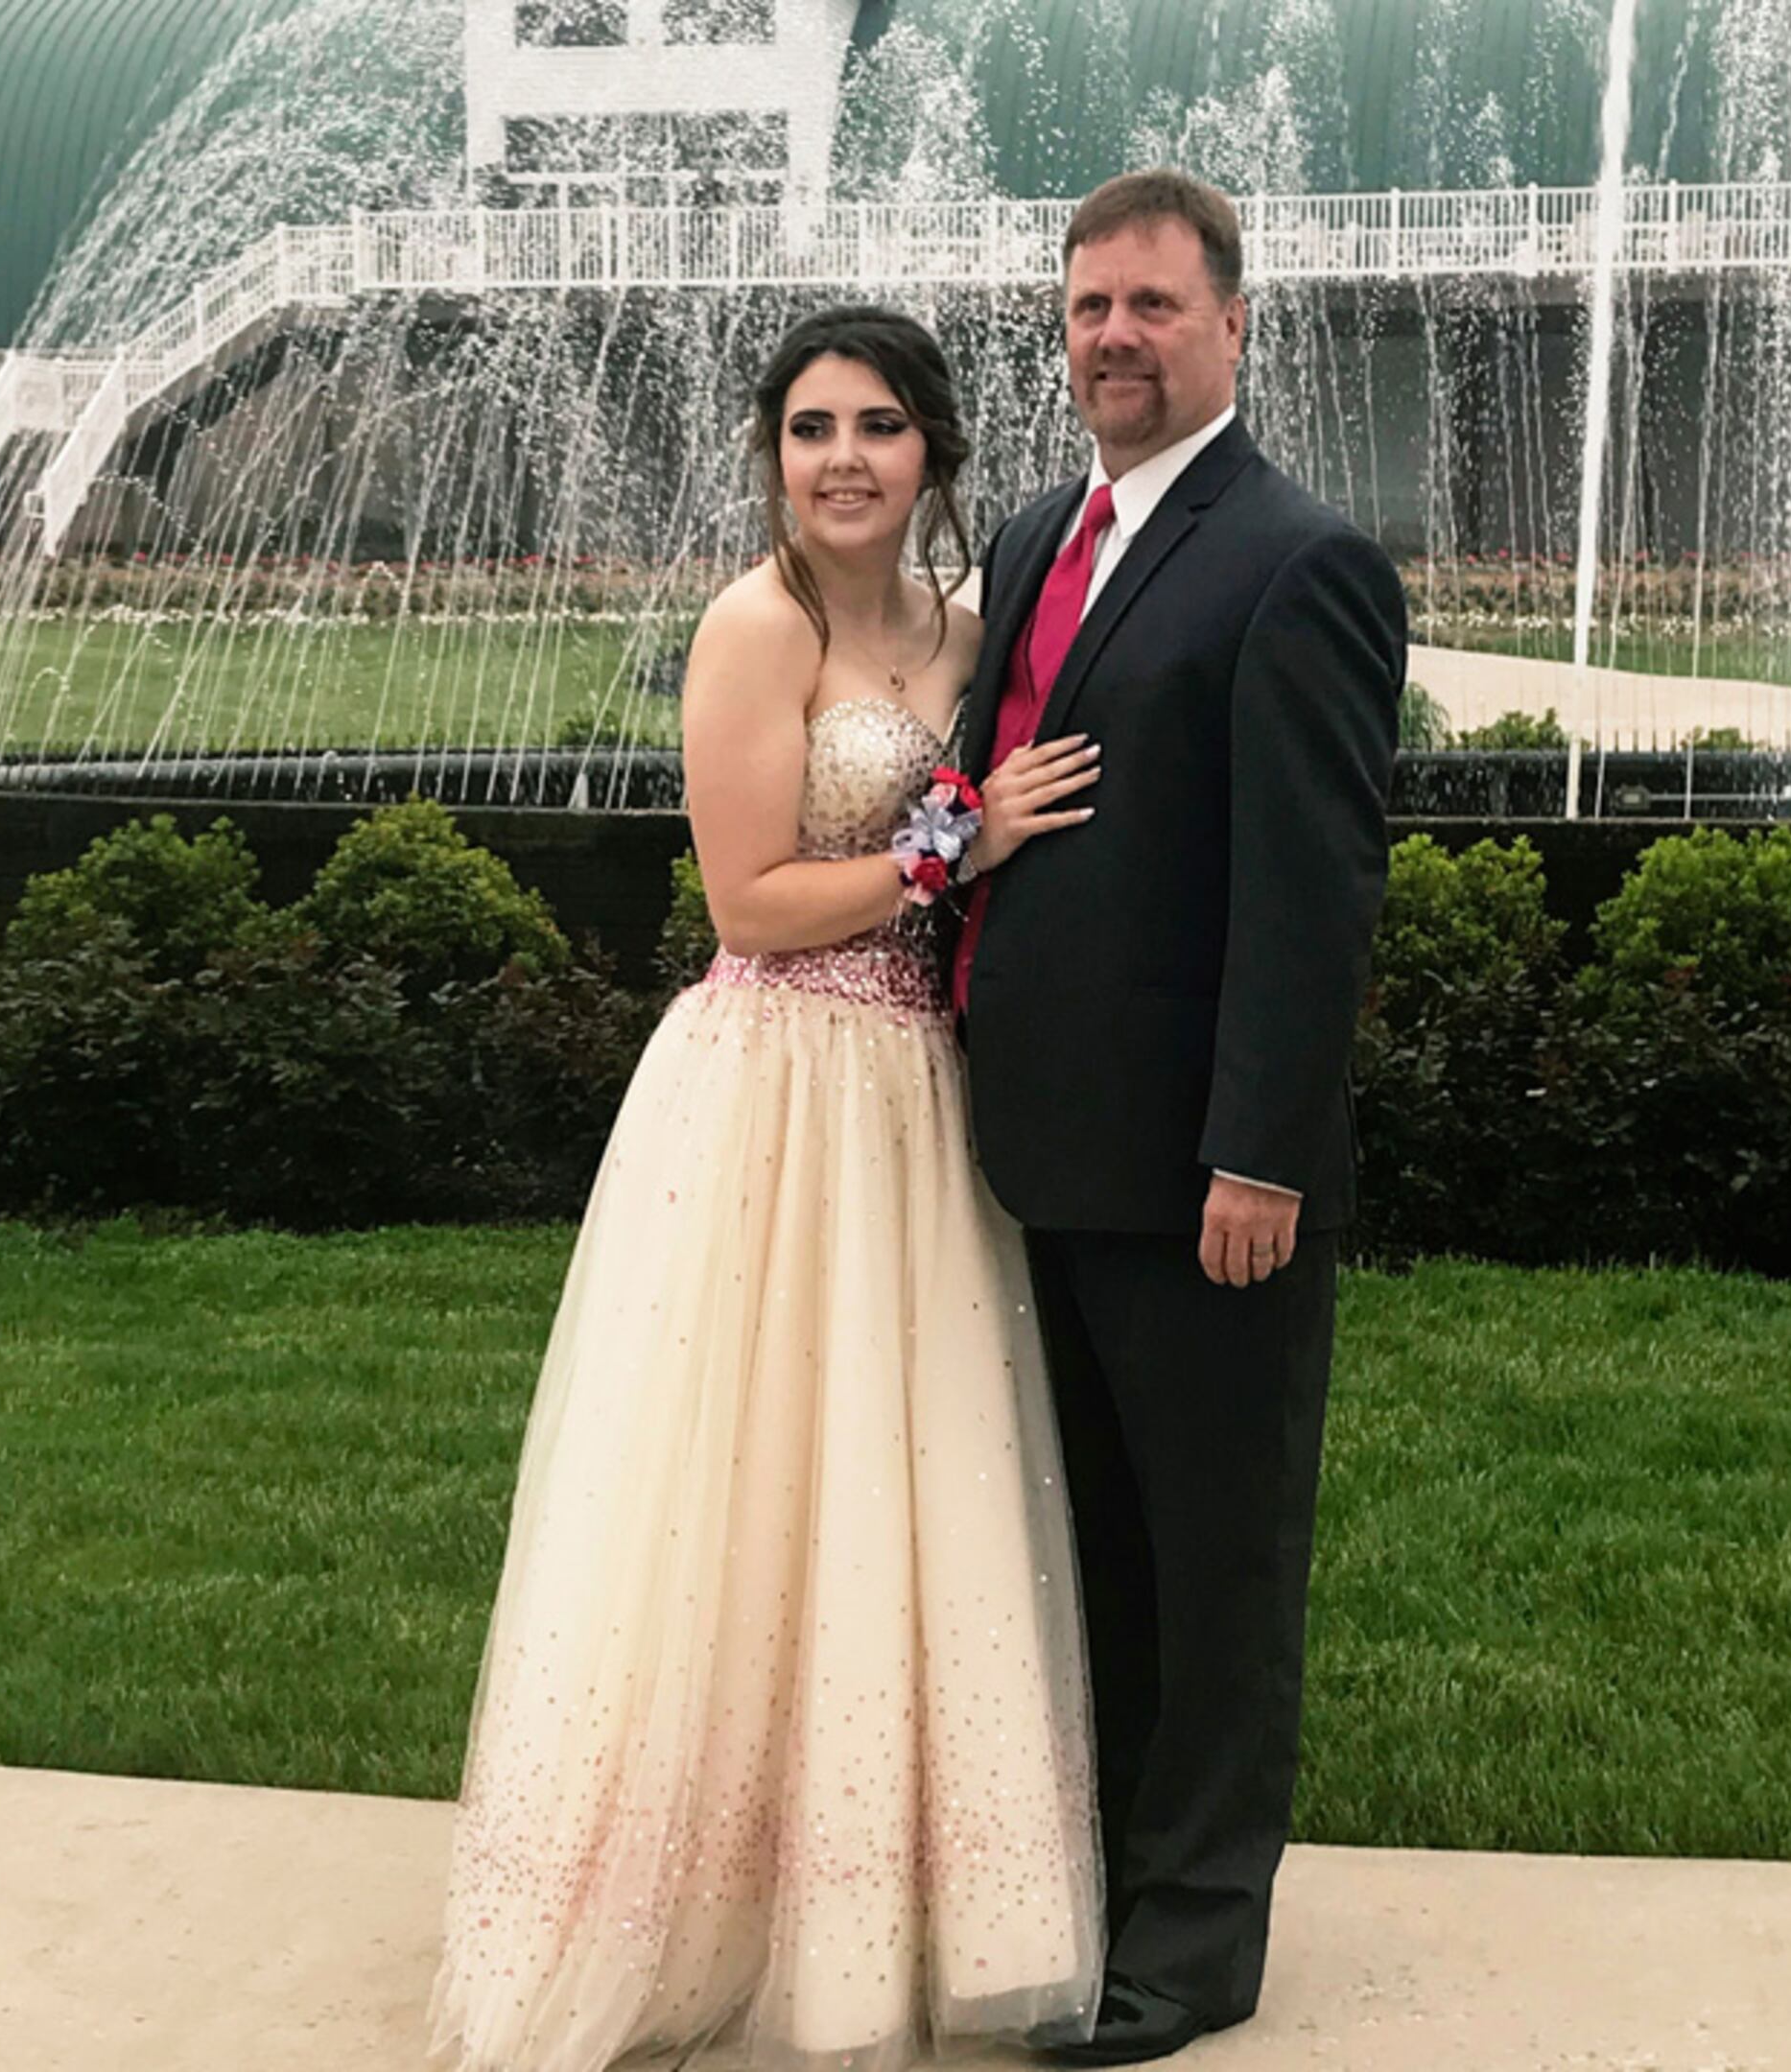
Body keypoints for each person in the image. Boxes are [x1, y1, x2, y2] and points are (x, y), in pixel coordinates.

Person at [429, 306, 1109, 2072]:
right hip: (777, 1091)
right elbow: (747, 901)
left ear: (934, 453)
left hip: (911, 1099)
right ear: (773, 454)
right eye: (811, 428)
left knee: (895, 1479)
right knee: (742, 1479)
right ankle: (691, 1908)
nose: (844, 460)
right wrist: (964, 838)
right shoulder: (754, 630)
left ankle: (879, 1906)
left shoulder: (970, 640)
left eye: (879, 426)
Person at [949, 169, 1408, 2066]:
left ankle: (1198, 1943)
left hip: (1197, 1177)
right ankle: (1109, 1888)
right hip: (1033, 1160)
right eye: (1085, 309)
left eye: (1149, 305)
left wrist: (1261, 1150)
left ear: (1231, 322)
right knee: (1103, 1558)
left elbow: (1313, 893)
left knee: (1215, 1564)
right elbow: (966, 794)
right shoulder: (1045, 527)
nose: (1113, 338)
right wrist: (945, 841)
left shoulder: (1297, 560)